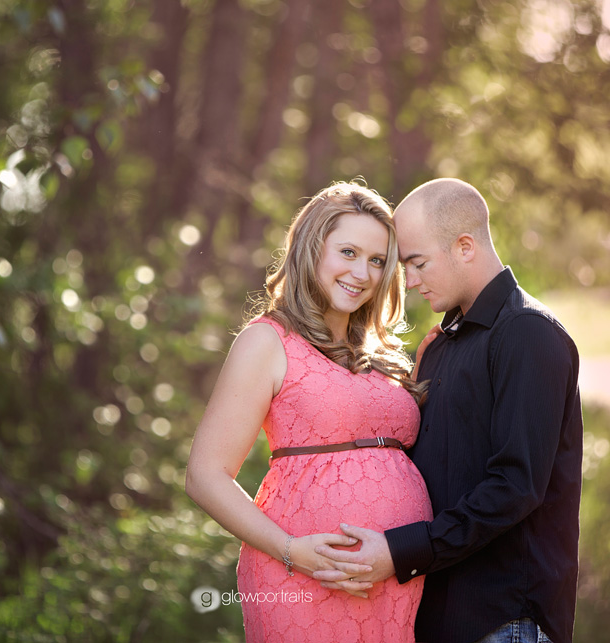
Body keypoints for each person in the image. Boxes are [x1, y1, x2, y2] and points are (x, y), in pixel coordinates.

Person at [313, 178, 584, 643]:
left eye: (417, 264)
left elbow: (515, 487)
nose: (409, 281)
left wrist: (400, 553)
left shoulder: (527, 333)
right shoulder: (443, 344)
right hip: (437, 616)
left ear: (464, 247)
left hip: (503, 621)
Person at [185, 182, 434, 642]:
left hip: (396, 581)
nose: (362, 272)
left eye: (377, 260)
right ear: (311, 249)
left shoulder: (383, 356)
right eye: (348, 252)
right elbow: (205, 475)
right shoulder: (267, 341)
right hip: (304, 577)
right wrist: (291, 551)